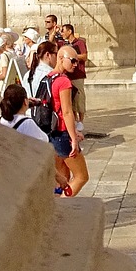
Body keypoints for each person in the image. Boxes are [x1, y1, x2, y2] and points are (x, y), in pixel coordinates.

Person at [49, 44, 88, 196]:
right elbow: (66, 112)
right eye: (72, 60)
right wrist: (73, 138)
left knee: (62, 178)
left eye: (77, 61)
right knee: (81, 177)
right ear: (60, 58)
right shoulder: (63, 81)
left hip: (53, 134)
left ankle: (57, 207)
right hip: (63, 134)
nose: (75, 64)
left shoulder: (49, 77)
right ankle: (63, 209)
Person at [60, 22, 88, 122]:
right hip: (68, 75)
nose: (61, 33)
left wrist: (72, 56)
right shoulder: (64, 44)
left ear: (69, 31)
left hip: (78, 74)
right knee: (71, 99)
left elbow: (84, 56)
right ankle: (74, 119)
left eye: (63, 31)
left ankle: (81, 120)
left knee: (79, 97)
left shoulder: (79, 43)